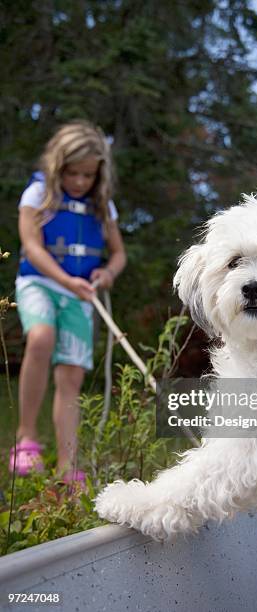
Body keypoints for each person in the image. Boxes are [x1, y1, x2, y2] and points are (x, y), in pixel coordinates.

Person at [9, 120, 126, 487]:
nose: (79, 182)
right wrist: (65, 281)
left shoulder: (102, 206)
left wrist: (107, 273)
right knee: (41, 338)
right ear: (58, 166)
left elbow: (119, 254)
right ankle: (26, 439)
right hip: (41, 283)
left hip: (81, 294)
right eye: (72, 173)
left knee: (72, 374)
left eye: (87, 175)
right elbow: (32, 246)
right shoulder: (37, 194)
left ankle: (67, 464)